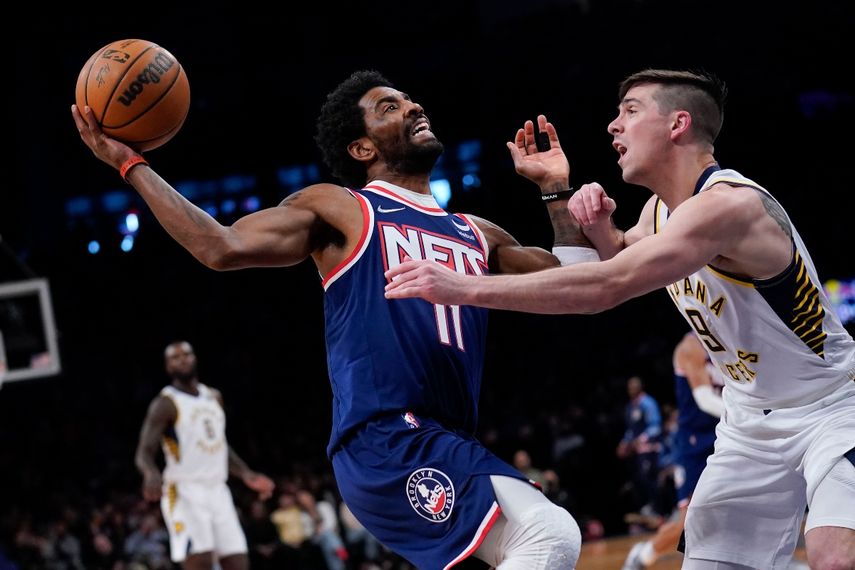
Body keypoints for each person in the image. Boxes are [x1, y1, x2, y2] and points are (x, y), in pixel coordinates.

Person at [73, 70, 586, 569]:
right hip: (384, 437)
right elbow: (219, 245)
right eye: (389, 106)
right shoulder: (344, 209)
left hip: (446, 437)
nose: (413, 106)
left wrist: (555, 188)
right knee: (548, 532)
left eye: (409, 99)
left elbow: (577, 284)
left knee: (530, 543)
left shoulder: (477, 233)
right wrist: (131, 165)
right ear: (362, 148)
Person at [385, 69, 855, 569]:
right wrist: (567, 197)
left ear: (677, 124)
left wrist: (462, 288)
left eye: (630, 110)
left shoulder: (728, 206)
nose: (613, 125)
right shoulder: (658, 212)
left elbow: (605, 287)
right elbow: (613, 260)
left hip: (832, 406)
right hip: (749, 421)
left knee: (834, 557)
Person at [134, 341, 275, 569]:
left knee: (238, 561)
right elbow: (144, 451)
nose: (182, 359)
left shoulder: (214, 396)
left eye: (186, 354)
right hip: (184, 490)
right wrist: (150, 473)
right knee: (200, 561)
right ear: (168, 367)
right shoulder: (166, 403)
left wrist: (245, 473)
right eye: (175, 357)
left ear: (194, 358)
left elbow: (219, 444)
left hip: (218, 489)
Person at [622, 333, 722, 570]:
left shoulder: (729, 341)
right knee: (688, 523)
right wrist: (750, 416)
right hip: (695, 445)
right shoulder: (691, 347)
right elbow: (705, 400)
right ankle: (643, 556)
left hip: (726, 435)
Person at [616, 376, 663, 517]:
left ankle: (659, 510)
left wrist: (641, 439)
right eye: (629, 388)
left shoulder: (648, 403)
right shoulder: (630, 407)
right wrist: (624, 443)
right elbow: (631, 430)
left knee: (650, 479)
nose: (631, 390)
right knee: (638, 480)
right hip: (636, 451)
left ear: (640, 387)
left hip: (650, 449)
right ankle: (648, 507)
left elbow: (655, 426)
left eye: (634, 387)